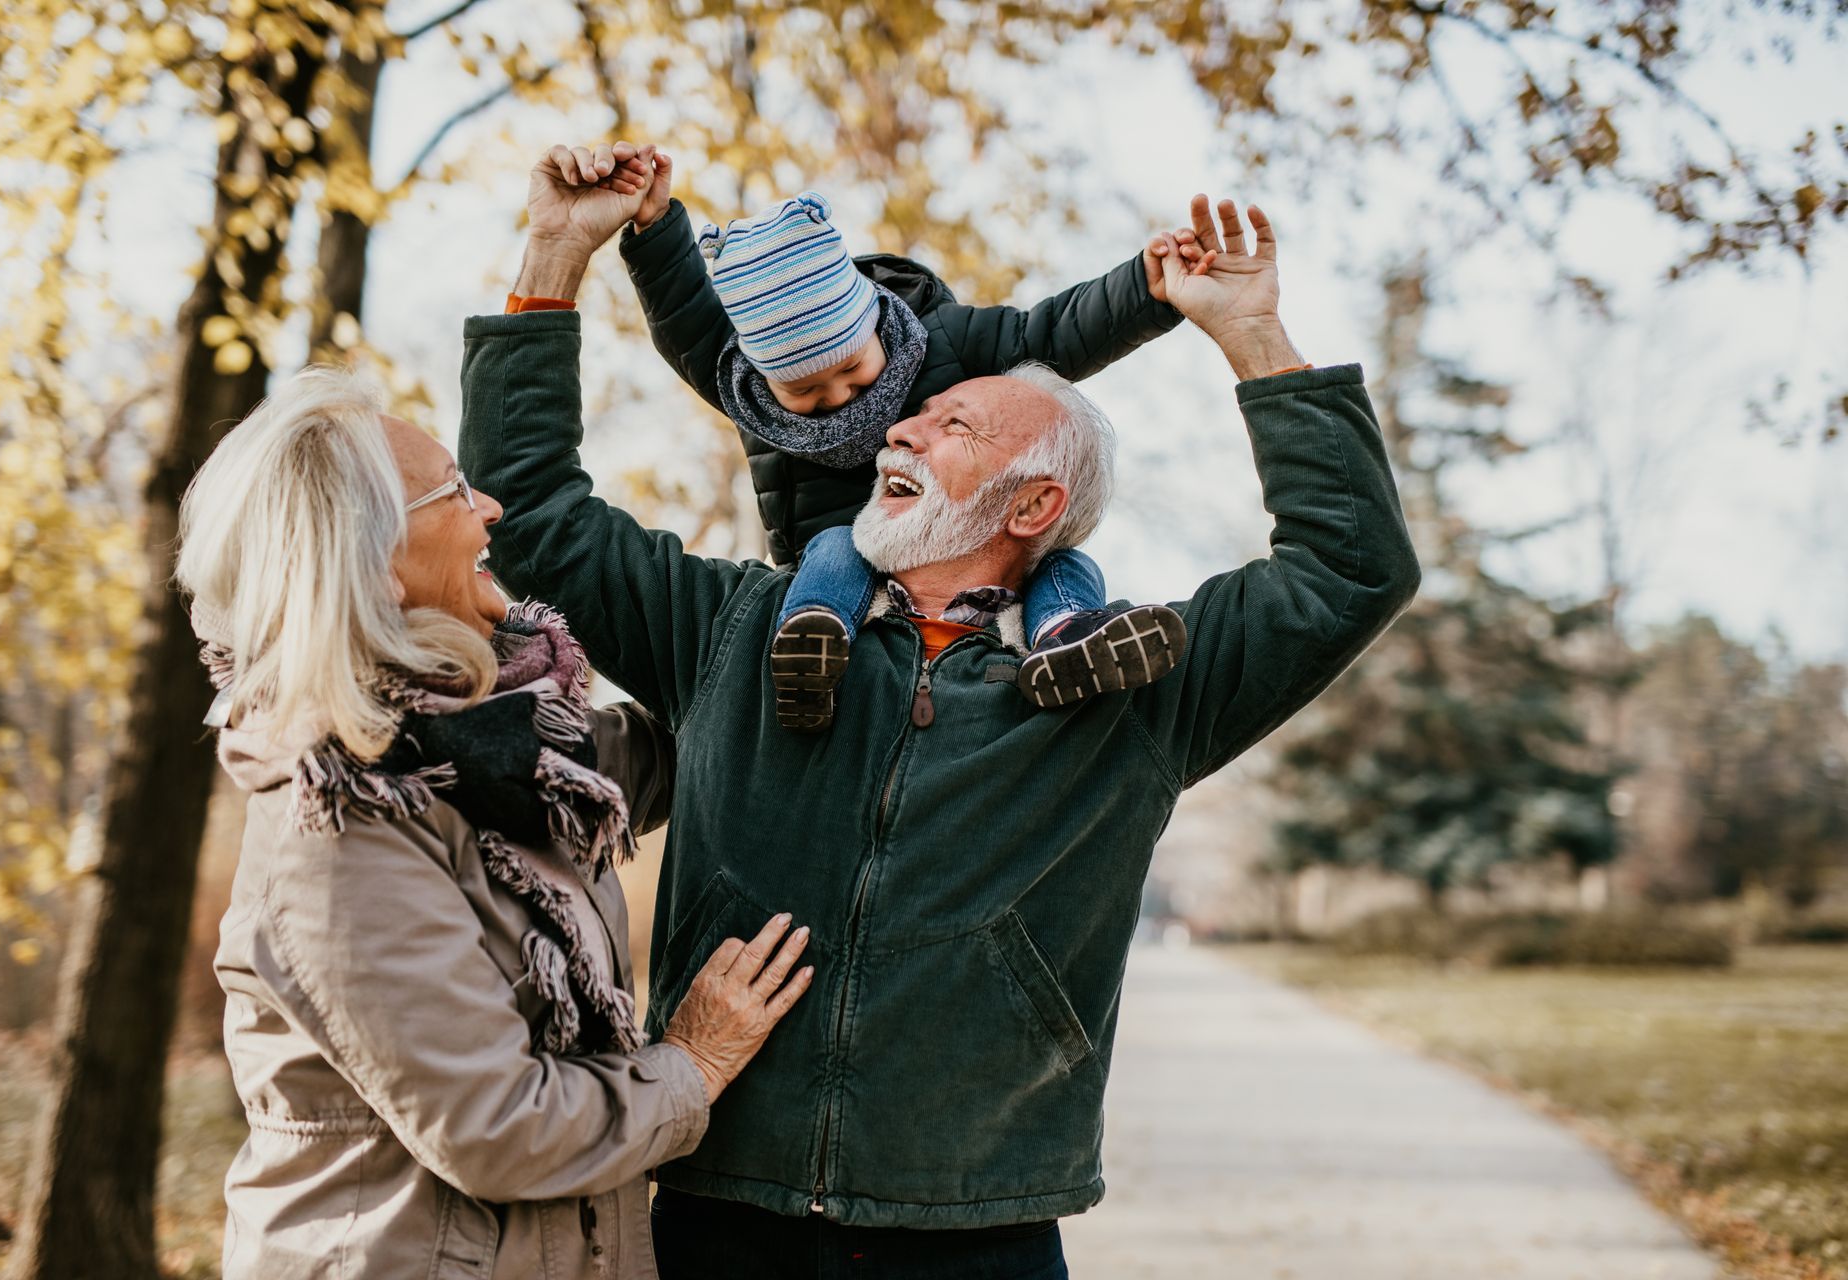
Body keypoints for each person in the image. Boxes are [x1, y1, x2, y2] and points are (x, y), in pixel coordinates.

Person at [462, 141, 1422, 1279]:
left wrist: (1252, 334)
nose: (898, 428)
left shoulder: (1132, 685)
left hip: (982, 1234)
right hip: (720, 1212)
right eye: (911, 421)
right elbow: (534, 517)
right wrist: (557, 251)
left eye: (953, 424)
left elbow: (1351, 568)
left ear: (1038, 501)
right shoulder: (736, 629)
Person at [177, 369, 814, 1279]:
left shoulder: (487, 751)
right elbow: (499, 1128)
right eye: (453, 490)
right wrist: (694, 1061)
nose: (491, 507)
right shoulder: (343, 817)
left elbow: (676, 745)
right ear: (378, 563)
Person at [591, 144, 1203, 729]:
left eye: (852, 369)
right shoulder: (751, 398)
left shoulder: (947, 342)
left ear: (873, 322)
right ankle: (811, 640)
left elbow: (1056, 333)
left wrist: (1145, 292)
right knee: (835, 545)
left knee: (1062, 561)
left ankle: (1066, 640)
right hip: (838, 573)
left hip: (962, 563)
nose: (837, 396)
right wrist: (655, 228)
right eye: (804, 391)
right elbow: (685, 320)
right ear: (761, 377)